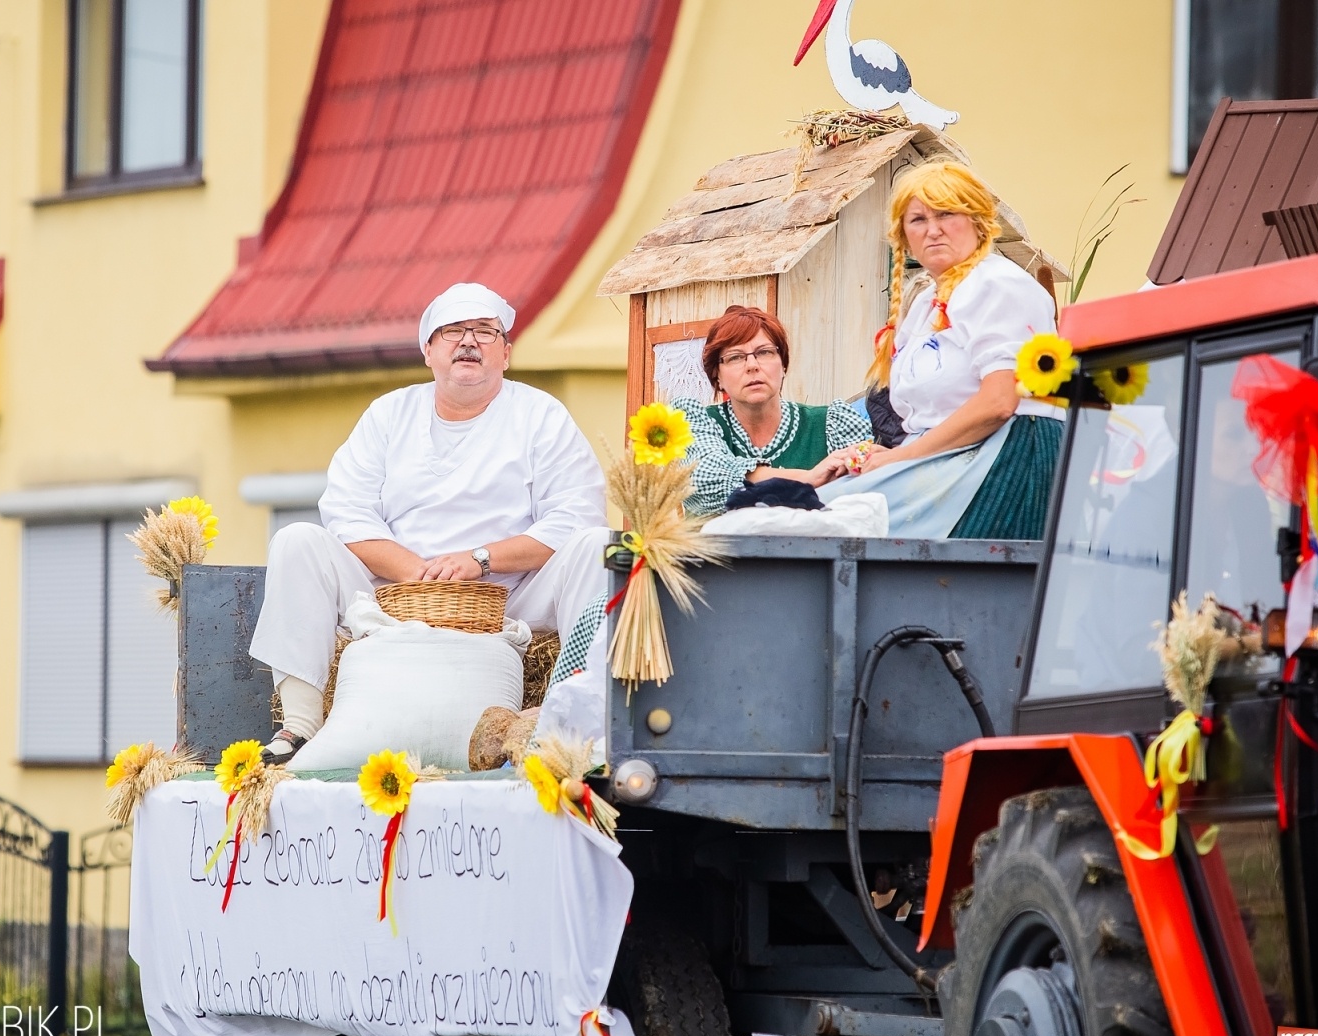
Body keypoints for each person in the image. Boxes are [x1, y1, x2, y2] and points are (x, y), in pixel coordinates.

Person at [249, 283, 608, 764]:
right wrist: (414, 571)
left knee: (596, 544)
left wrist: (479, 560)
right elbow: (346, 508)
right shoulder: (389, 413)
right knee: (297, 540)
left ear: (506, 352)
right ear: (428, 351)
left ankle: (570, 721)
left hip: (510, 594)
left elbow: (575, 511)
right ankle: (298, 727)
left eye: (485, 331)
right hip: (394, 591)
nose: (468, 342)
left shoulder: (541, 415)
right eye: (453, 331)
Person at [822, 161, 1064, 539]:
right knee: (807, 510)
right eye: (917, 219)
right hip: (946, 456)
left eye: (946, 214)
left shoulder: (997, 284)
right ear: (903, 234)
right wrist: (883, 456)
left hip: (1008, 456)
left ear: (978, 221)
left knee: (829, 523)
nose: (932, 230)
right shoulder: (924, 306)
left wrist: (899, 459)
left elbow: (1000, 403)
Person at [677, 305, 873, 515]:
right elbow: (705, 480)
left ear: (783, 366)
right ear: (717, 376)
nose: (752, 365)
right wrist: (807, 479)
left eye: (764, 352)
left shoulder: (832, 424)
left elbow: (869, 494)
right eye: (735, 357)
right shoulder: (693, 423)